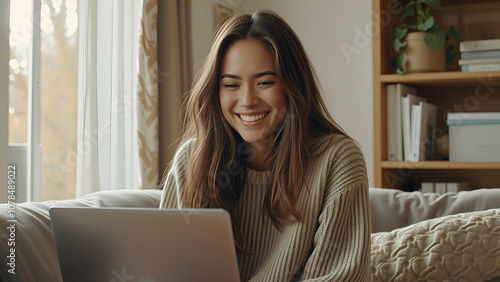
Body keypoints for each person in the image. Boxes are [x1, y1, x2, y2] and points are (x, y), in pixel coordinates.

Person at [160, 10, 370, 281]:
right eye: (231, 84)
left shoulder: (338, 159)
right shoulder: (191, 160)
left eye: (264, 82)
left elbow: (340, 276)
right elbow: (166, 268)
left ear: (293, 85)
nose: (247, 100)